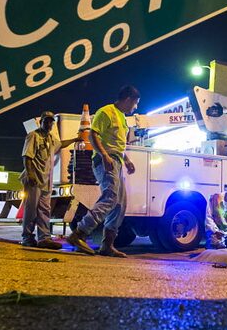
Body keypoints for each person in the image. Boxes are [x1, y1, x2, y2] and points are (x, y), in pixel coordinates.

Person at [67, 85, 140, 257]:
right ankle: (79, 234)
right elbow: (93, 135)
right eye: (135, 103)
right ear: (128, 99)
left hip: (117, 161)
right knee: (110, 197)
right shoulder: (106, 111)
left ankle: (107, 245)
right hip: (105, 161)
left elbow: (118, 144)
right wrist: (105, 156)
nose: (135, 107)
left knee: (120, 205)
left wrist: (127, 160)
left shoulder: (122, 118)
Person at [20, 111, 78, 249]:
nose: (49, 124)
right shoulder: (33, 136)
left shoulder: (51, 139)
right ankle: (27, 237)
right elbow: (26, 157)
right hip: (34, 180)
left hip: (46, 181)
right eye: (46, 121)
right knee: (31, 211)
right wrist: (31, 175)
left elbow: (61, 144)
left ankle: (44, 238)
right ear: (41, 122)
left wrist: (75, 139)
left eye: (51, 122)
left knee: (45, 210)